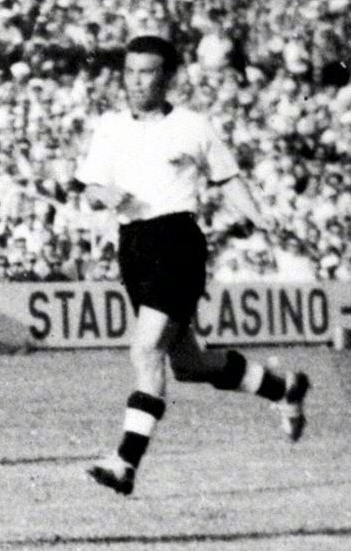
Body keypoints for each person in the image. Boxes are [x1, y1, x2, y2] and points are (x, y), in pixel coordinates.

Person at [74, 35, 307, 497]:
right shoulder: (110, 126)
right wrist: (105, 195)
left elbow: (227, 177)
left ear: (168, 77)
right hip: (133, 244)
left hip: (177, 241)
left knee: (146, 351)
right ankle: (284, 389)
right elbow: (91, 187)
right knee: (188, 364)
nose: (136, 81)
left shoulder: (192, 125)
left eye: (147, 72)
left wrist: (260, 218)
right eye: (130, 71)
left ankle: (125, 462)